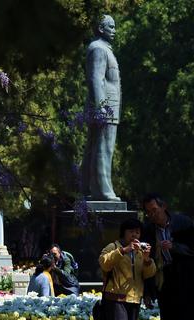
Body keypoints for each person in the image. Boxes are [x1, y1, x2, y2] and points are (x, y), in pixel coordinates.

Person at [80, 15, 122, 201]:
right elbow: (96, 79)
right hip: (105, 107)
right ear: (100, 28)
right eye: (110, 27)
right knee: (104, 148)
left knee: (95, 147)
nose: (114, 30)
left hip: (108, 106)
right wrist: (101, 107)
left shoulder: (104, 49)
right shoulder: (98, 48)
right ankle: (104, 190)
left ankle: (88, 188)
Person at [98, 218, 157, 320]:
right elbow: (104, 263)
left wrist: (147, 259)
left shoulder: (140, 251)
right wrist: (124, 250)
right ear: (123, 233)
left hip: (134, 300)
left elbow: (149, 274)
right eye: (131, 231)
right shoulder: (113, 246)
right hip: (116, 299)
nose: (134, 235)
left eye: (137, 232)